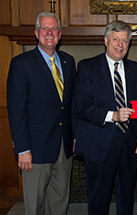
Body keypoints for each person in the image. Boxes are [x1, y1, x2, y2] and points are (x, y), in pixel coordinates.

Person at [74, 20, 137, 215]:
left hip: (130, 145)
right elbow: (82, 107)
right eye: (116, 39)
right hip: (100, 145)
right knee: (98, 202)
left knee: (126, 201)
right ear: (106, 40)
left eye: (125, 41)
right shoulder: (87, 67)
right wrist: (113, 115)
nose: (120, 45)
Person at [6, 12, 77, 215]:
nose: (49, 33)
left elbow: (71, 104)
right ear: (36, 33)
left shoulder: (68, 62)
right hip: (34, 151)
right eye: (44, 28)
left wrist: (75, 137)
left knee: (59, 203)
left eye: (54, 29)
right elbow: (16, 110)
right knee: (35, 206)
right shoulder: (22, 64)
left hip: (64, 149)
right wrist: (22, 149)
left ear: (60, 34)